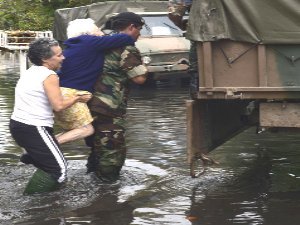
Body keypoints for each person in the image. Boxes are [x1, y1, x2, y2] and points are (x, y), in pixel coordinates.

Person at [9, 38, 91, 194]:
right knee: (58, 170)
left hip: (19, 126)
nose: (63, 58)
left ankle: (47, 196)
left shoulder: (31, 72)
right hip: (33, 128)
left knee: (49, 166)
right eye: (59, 55)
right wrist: (78, 98)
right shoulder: (49, 75)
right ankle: (32, 204)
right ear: (45, 59)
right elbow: (58, 106)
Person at [85, 12, 148, 181]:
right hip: (109, 107)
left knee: (97, 147)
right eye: (139, 29)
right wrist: (145, 64)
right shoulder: (126, 48)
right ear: (131, 27)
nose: (140, 34)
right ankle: (107, 194)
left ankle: (92, 181)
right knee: (112, 152)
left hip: (87, 104)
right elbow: (139, 78)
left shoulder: (99, 43)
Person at [54, 18, 136, 145]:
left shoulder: (71, 46)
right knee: (86, 130)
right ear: (88, 32)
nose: (100, 31)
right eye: (97, 28)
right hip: (72, 94)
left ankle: (39, 147)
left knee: (73, 130)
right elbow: (126, 39)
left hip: (61, 93)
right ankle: (44, 148)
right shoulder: (88, 42)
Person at [168, 0, 198, 99]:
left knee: (197, 69)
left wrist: (184, 26)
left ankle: (197, 94)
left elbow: (174, 14)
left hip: (202, 36)